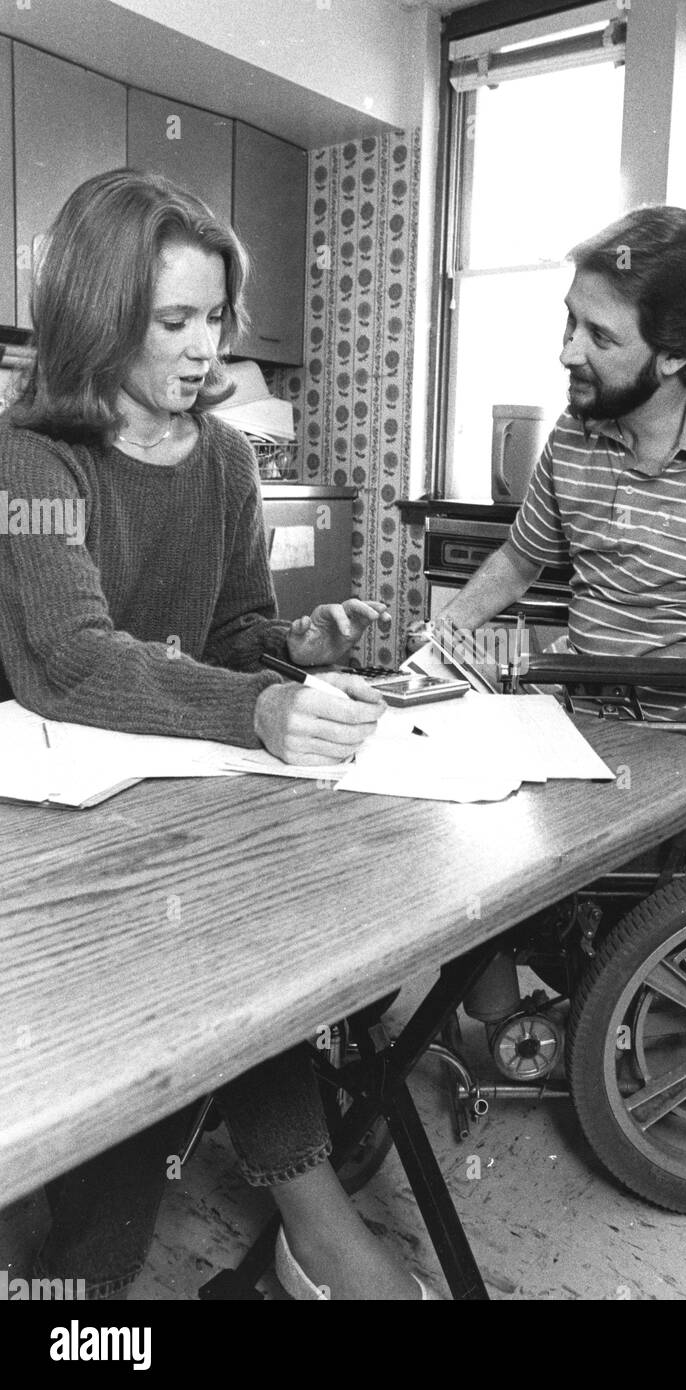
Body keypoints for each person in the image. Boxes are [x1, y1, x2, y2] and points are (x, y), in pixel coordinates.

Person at [0, 168, 434, 1300]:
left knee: (241, 968)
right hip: (36, 823)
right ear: (102, 320)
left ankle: (281, 1235)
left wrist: (304, 649)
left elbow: (233, 630)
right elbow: (69, 661)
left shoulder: (232, 460)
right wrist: (255, 707)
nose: (208, 352)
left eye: (217, 321)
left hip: (164, 796)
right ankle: (89, 1283)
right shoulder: (31, 462)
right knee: (148, 1062)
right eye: (176, 322)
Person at [423, 206, 686, 804]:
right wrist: (435, 648)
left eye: (600, 336)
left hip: (685, 750)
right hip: (568, 733)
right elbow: (519, 563)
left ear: (673, 354)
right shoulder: (573, 435)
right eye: (570, 322)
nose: (568, 353)